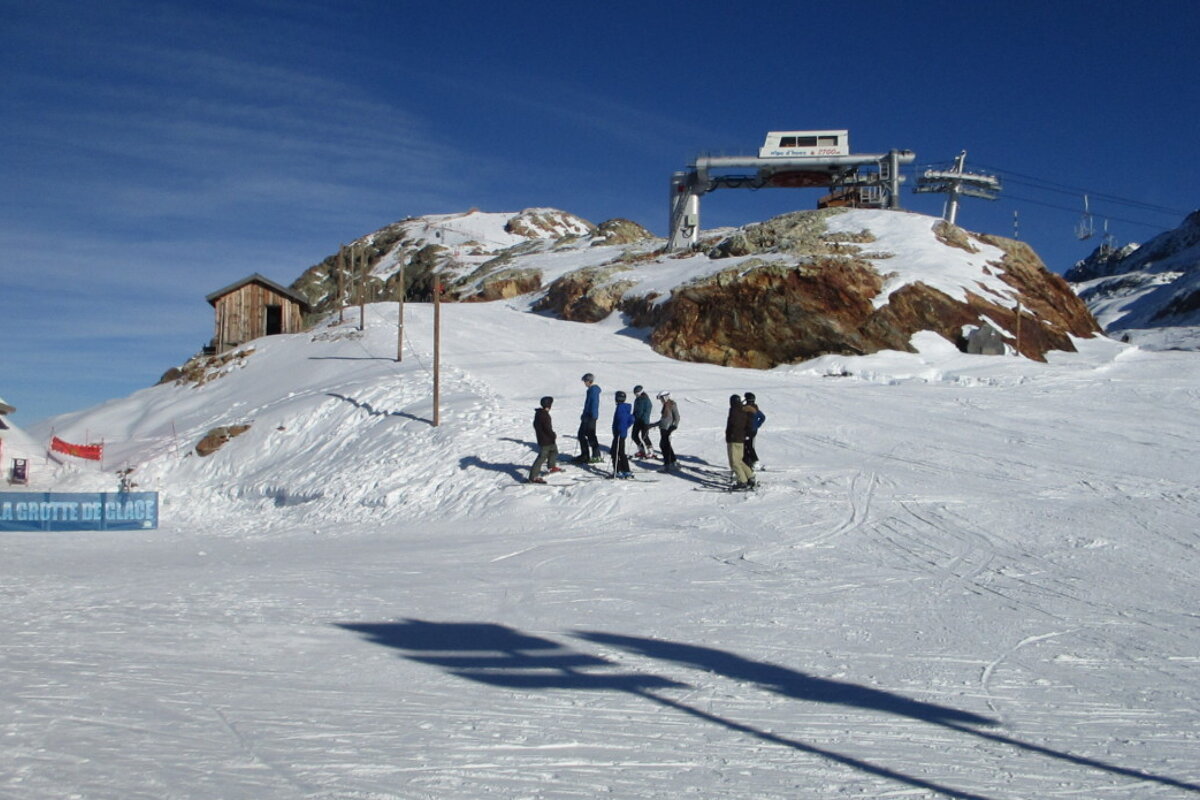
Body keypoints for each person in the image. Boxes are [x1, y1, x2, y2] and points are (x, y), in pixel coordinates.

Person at [725, 394, 755, 490]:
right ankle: (750, 477)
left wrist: (730, 435)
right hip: (741, 439)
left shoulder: (734, 410)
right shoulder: (744, 409)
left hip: (734, 439)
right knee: (739, 461)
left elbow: (733, 424)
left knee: (734, 463)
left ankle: (742, 481)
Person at [529, 396, 562, 483]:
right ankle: (533, 477)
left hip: (546, 439)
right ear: (549, 405)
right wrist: (553, 435)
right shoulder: (544, 415)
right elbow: (547, 428)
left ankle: (551, 467)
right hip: (546, 440)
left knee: (554, 451)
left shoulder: (539, 413)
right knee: (542, 457)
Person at [575, 373, 603, 463]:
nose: (584, 383)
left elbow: (593, 404)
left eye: (585, 381)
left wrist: (590, 415)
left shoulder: (593, 390)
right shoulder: (591, 390)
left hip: (590, 416)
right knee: (585, 434)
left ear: (589, 381)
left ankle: (592, 455)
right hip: (588, 415)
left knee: (587, 435)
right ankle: (588, 455)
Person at [653, 391, 680, 473]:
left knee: (664, 445)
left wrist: (674, 426)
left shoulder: (672, 404)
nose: (661, 400)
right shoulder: (665, 405)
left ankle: (668, 464)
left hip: (668, 428)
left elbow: (677, 417)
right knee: (665, 445)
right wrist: (652, 425)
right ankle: (672, 462)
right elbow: (663, 419)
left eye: (662, 398)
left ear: (666, 397)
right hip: (663, 428)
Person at [611, 390, 634, 478]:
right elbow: (631, 419)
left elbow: (621, 419)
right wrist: (625, 427)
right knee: (621, 452)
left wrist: (620, 429)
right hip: (622, 433)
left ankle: (618, 471)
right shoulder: (626, 407)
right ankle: (626, 470)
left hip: (619, 433)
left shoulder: (620, 408)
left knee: (614, 453)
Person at [742, 391, 765, 468]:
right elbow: (762, 417)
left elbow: (762, 417)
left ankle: (755, 461)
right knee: (748, 446)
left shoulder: (745, 408)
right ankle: (749, 461)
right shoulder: (755, 408)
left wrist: (756, 425)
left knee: (748, 446)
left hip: (748, 431)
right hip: (752, 431)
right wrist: (757, 425)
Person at [631, 385, 654, 458]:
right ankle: (641, 450)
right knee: (634, 436)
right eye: (635, 393)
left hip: (644, 421)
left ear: (640, 392)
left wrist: (643, 418)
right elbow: (635, 410)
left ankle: (650, 451)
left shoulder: (646, 399)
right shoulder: (637, 400)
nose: (636, 394)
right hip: (637, 420)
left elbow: (648, 410)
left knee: (644, 436)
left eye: (637, 393)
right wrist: (632, 417)